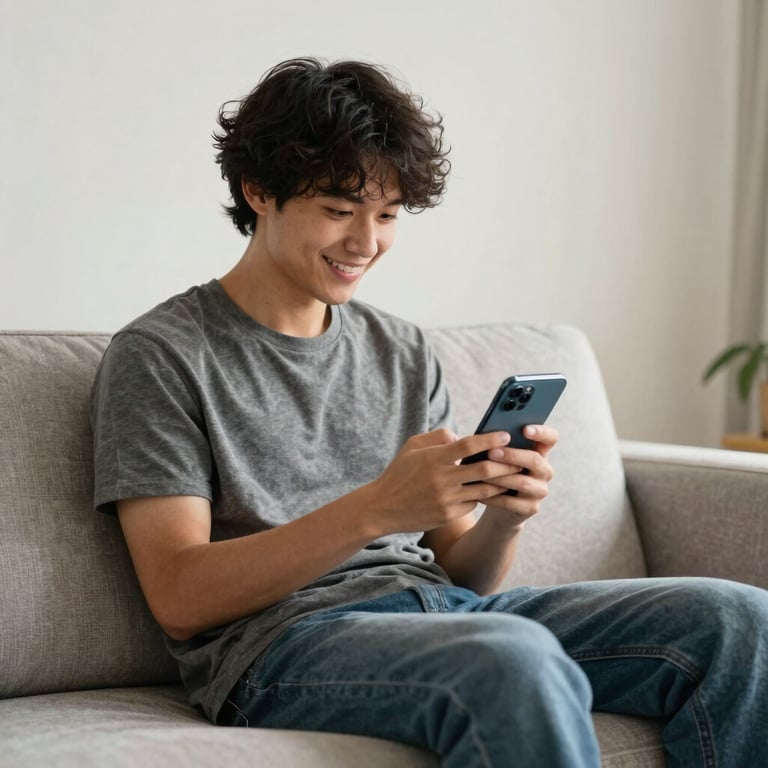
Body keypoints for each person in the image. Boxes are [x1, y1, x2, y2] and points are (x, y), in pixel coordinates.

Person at [90, 57, 768, 767]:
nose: (366, 242)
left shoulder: (401, 348)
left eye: (386, 215)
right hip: (283, 646)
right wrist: (376, 508)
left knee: (738, 619)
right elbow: (179, 596)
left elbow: (462, 576)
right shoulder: (161, 354)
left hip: (449, 616)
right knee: (510, 657)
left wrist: (503, 514)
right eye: (339, 209)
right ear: (259, 192)